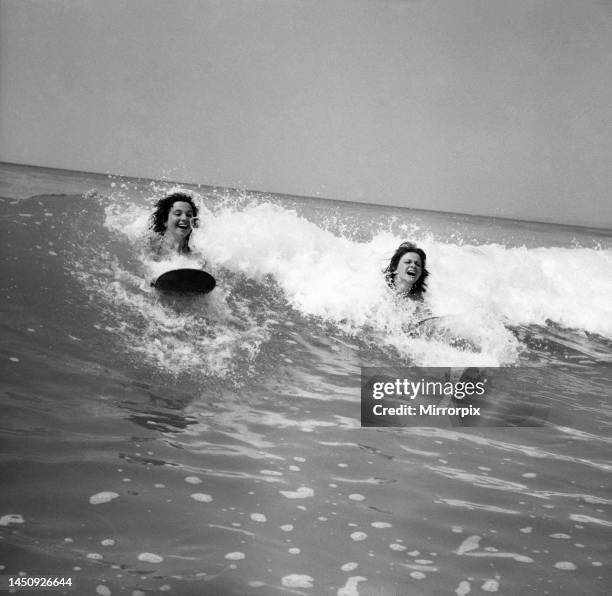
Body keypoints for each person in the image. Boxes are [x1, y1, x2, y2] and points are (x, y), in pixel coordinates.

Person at [148, 192, 199, 257]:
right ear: (164, 220)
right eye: (178, 214)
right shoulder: (149, 251)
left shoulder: (197, 258)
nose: (184, 218)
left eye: (189, 215)